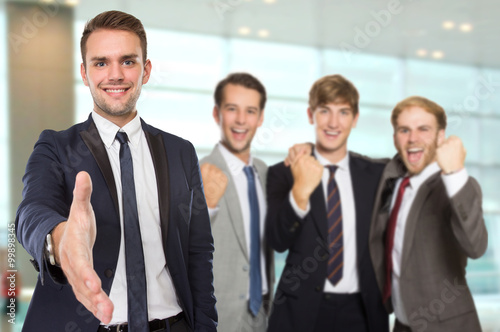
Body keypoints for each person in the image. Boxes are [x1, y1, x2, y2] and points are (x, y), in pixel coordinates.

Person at [15, 10, 217, 331]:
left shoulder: (181, 152)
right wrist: (59, 236)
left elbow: (198, 251)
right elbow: (31, 211)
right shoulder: (55, 147)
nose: (115, 75)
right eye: (100, 63)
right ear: (84, 72)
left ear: (145, 70)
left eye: (127, 61)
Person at [265, 74, 389, 331]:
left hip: (362, 311)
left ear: (355, 119)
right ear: (311, 115)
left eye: (343, 112)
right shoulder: (284, 173)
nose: (333, 123)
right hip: (301, 310)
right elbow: (277, 241)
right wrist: (299, 192)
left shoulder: (376, 175)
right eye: (325, 111)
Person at [369, 96, 487, 332]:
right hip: (401, 324)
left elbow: (476, 247)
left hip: (447, 325)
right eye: (404, 130)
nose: (413, 138)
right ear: (395, 138)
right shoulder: (392, 180)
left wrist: (454, 173)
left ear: (440, 136)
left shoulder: (458, 185)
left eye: (424, 129)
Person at [200, 73, 274, 332]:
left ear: (260, 117)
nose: (241, 120)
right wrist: (206, 206)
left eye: (250, 111)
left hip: (263, 315)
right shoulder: (195, 172)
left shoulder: (266, 174)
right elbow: (175, 245)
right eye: (232, 109)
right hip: (220, 319)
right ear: (216, 113)